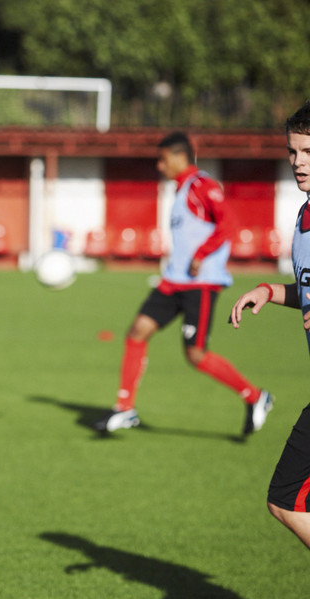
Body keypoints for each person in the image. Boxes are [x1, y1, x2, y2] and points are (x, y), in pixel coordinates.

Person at [95, 131, 272, 436]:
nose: (159, 167)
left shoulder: (201, 185)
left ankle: (256, 397)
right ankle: (125, 409)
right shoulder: (181, 190)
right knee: (137, 332)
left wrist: (201, 254)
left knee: (195, 354)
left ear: (179, 156)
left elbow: (228, 223)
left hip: (200, 284)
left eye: (162, 160)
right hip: (174, 281)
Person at [228, 100, 310, 551]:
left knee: (287, 499)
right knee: (286, 500)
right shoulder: (303, 217)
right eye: (293, 151)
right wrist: (271, 291)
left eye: (309, 152)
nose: (298, 162)